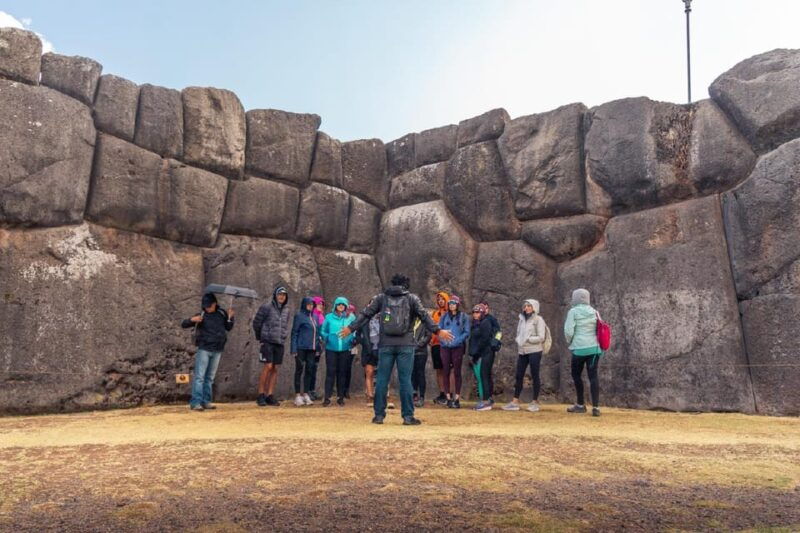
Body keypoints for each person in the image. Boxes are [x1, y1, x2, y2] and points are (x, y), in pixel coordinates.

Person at [340, 273, 454, 426]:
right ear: (406, 285)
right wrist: (438, 331)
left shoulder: (381, 298)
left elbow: (366, 314)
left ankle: (379, 416)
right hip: (406, 345)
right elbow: (424, 317)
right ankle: (408, 417)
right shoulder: (412, 299)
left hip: (385, 344)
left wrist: (350, 327)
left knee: (381, 379)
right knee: (405, 380)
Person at [181, 292, 234, 411]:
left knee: (210, 377)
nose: (207, 308)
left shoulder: (222, 313)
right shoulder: (202, 315)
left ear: (214, 304)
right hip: (204, 348)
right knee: (200, 376)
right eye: (205, 306)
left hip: (218, 349)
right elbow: (183, 324)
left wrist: (231, 317)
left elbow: (228, 327)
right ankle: (196, 402)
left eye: (209, 305)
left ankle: (206, 401)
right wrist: (192, 320)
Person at [564, 288, 602, 417]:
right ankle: (596, 408)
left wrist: (570, 342)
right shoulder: (595, 312)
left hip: (579, 349)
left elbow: (569, 331)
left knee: (576, 375)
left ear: (575, 298)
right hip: (594, 349)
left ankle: (580, 404)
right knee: (593, 376)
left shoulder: (573, 312)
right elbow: (600, 328)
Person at [504, 299, 546, 412]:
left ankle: (535, 401)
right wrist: (519, 340)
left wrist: (528, 339)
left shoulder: (538, 320)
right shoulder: (521, 319)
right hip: (522, 351)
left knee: (535, 374)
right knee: (519, 375)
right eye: (525, 306)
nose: (526, 308)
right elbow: (518, 333)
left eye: (529, 306)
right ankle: (515, 401)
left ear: (534, 307)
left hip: (535, 351)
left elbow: (541, 337)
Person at [253, 286, 290, 407]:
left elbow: (285, 325)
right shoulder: (266, 307)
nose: (281, 297)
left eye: (284, 295)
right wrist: (261, 338)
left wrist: (283, 336)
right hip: (267, 341)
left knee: (275, 368)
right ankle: (261, 394)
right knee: (268, 366)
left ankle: (270, 395)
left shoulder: (286, 310)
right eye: (280, 294)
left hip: (279, 342)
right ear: (275, 295)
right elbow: (256, 323)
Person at [320, 296, 356, 406]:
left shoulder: (350, 318)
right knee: (330, 372)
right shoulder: (329, 317)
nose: (341, 306)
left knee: (342, 373)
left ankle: (341, 397)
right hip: (331, 348)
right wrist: (328, 337)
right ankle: (327, 397)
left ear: (346, 306)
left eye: (343, 305)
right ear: (335, 306)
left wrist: (352, 339)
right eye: (339, 304)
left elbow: (355, 330)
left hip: (345, 349)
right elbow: (322, 330)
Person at [438, 296, 470, 409]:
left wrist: (457, 340)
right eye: (450, 303)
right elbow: (439, 330)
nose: (452, 305)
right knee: (445, 370)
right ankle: (447, 397)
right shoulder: (444, 317)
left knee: (457, 371)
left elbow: (466, 332)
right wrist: (443, 341)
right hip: (445, 347)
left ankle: (456, 398)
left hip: (457, 347)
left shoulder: (463, 317)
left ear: (457, 305)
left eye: (454, 303)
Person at [290, 297, 322, 407]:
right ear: (304, 305)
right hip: (301, 347)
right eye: (308, 304)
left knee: (309, 370)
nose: (310, 306)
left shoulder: (315, 317)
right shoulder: (299, 316)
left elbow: (317, 334)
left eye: (312, 304)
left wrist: (317, 348)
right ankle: (298, 395)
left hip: (312, 348)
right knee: (299, 370)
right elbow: (294, 333)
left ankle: (306, 393)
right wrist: (293, 348)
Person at [470, 304, 495, 411]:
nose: (475, 314)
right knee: (483, 376)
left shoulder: (485, 323)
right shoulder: (476, 323)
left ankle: (486, 402)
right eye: (474, 312)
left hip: (486, 353)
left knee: (484, 376)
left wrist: (476, 354)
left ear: (482, 313)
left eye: (478, 312)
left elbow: (484, 340)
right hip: (482, 353)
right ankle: (486, 400)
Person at [355, 297, 380, 406]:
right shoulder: (363, 319)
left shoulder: (383, 318)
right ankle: (370, 395)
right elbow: (357, 334)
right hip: (368, 349)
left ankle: (383, 395)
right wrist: (363, 342)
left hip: (380, 348)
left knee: (382, 373)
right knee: (369, 372)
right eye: (371, 304)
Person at [429, 291, 450, 405]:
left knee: (449, 369)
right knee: (439, 369)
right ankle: (442, 393)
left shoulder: (451, 313)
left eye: (443, 299)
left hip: (447, 344)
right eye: (439, 299)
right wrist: (431, 339)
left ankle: (450, 393)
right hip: (436, 344)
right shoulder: (435, 313)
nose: (440, 301)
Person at [480, 301, 502, 406]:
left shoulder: (491, 319)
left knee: (486, 373)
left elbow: (499, 332)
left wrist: (495, 343)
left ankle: (488, 397)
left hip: (489, 349)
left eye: (486, 307)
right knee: (485, 374)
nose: (484, 309)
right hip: (482, 351)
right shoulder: (478, 319)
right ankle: (487, 396)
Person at [307, 296, 326, 401]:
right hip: (311, 345)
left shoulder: (321, 316)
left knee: (314, 368)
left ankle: (312, 389)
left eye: (322, 304)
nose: (321, 306)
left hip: (318, 345)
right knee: (310, 368)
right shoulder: (312, 315)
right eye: (319, 304)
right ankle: (308, 390)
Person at [411, 316, 432, 408]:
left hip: (421, 351)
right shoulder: (410, 320)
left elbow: (428, 335)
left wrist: (419, 345)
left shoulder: (425, 321)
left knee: (420, 373)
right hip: (410, 351)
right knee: (412, 372)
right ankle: (413, 394)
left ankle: (422, 396)